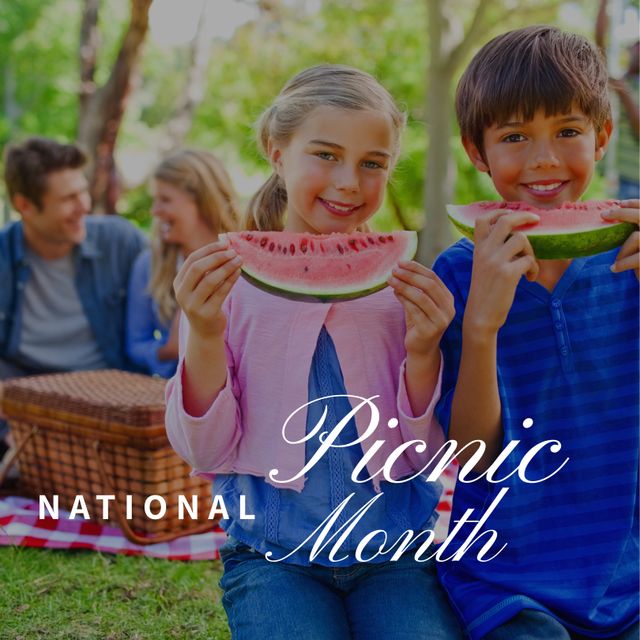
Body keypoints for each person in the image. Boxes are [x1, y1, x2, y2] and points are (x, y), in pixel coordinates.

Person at [165, 65, 463, 639]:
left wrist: (424, 351)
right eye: (325, 154)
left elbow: (425, 460)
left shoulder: (404, 293)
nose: (349, 182)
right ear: (277, 152)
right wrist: (203, 333)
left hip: (397, 553)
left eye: (373, 163)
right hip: (273, 556)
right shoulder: (228, 288)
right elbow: (205, 450)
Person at [432, 26, 639, 639]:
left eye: (567, 132)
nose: (544, 159)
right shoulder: (456, 274)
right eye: (515, 137)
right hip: (505, 578)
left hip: (626, 579)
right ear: (477, 151)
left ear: (602, 138)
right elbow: (471, 461)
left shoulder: (630, 260)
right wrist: (482, 326)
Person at [0, 137, 146, 456]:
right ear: (24, 206)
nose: (85, 206)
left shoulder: (120, 241)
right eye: (68, 198)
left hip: (110, 401)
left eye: (82, 191)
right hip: (29, 402)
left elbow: (167, 293)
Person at [126, 149, 239, 378]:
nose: (155, 211)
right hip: (172, 392)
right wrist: (170, 349)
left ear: (202, 201)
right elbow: (135, 346)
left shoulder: (246, 259)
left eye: (165, 200)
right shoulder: (149, 264)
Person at [595, 0, 640, 200]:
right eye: (636, 46)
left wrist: (625, 94)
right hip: (620, 178)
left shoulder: (624, 88)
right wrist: (604, 5)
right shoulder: (622, 81)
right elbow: (599, 45)